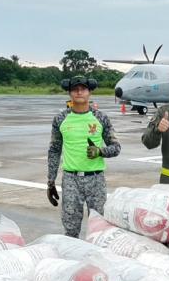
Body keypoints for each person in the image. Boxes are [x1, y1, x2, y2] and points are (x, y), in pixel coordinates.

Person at [47, 75, 121, 237]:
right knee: (71, 228)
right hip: (71, 180)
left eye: (83, 89)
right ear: (69, 93)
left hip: (96, 180)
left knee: (100, 228)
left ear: (89, 92)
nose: (79, 92)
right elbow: (54, 150)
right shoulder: (60, 119)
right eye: (75, 89)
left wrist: (100, 151)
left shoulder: (100, 118)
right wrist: (51, 181)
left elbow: (116, 147)